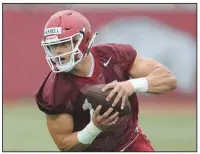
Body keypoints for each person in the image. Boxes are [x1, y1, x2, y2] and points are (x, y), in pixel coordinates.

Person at [35, 10, 177, 152]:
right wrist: (94, 128)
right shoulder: (54, 89)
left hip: (130, 143)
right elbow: (64, 144)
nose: (58, 52)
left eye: (64, 44)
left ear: (83, 40)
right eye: (53, 46)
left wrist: (131, 85)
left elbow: (168, 79)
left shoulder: (115, 56)